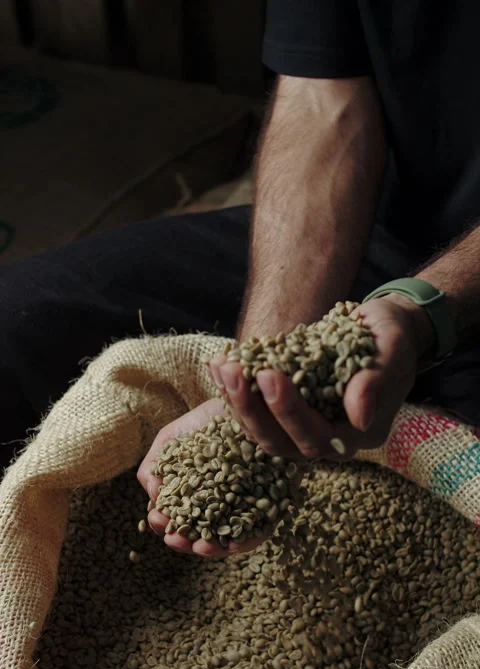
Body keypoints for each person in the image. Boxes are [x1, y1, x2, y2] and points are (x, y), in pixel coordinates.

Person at [2, 2, 480, 558]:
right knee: (15, 320)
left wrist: (422, 310)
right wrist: (257, 376)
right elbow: (323, 97)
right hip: (373, 220)